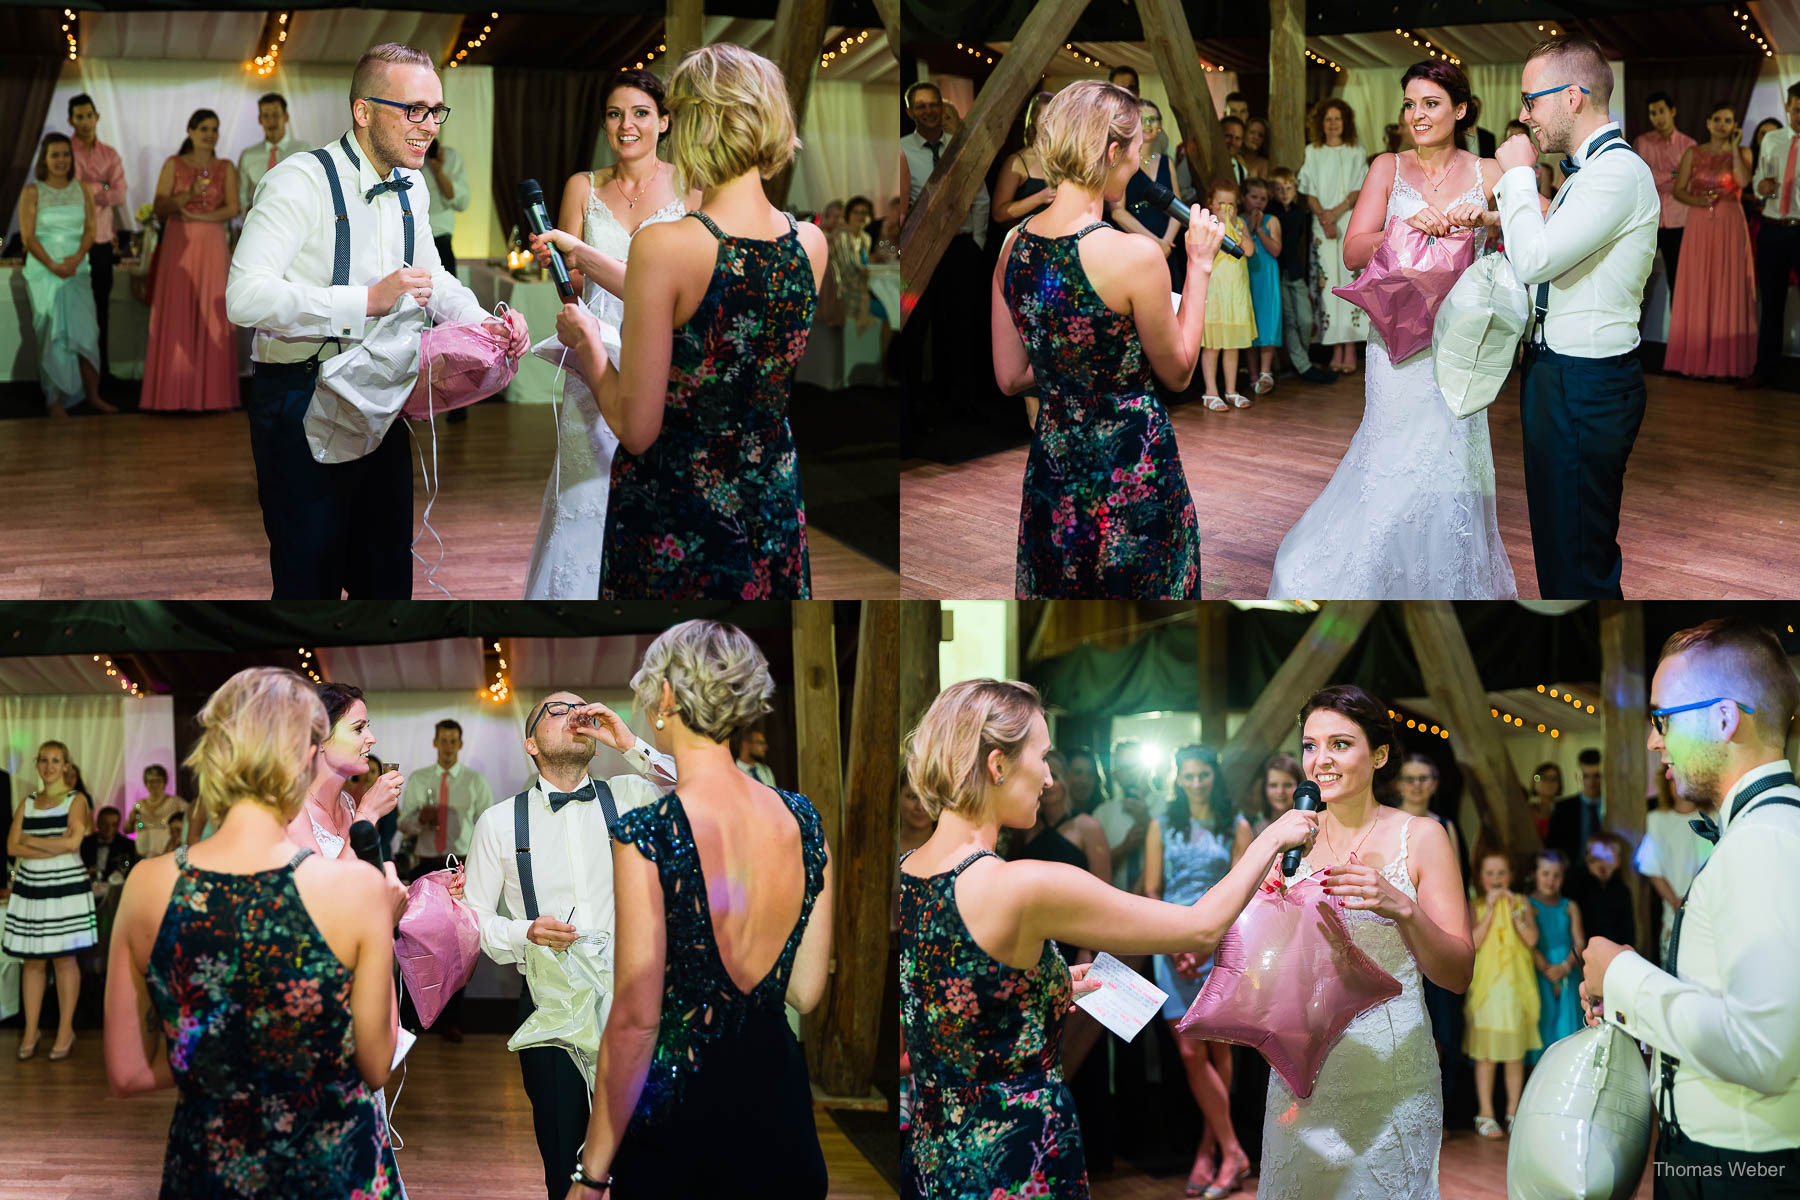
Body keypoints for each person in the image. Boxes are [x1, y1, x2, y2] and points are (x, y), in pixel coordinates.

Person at [899, 679, 1322, 1199]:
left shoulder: (908, 872)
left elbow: (957, 997)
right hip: (1013, 1153)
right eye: (1042, 756)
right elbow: (1200, 926)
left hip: (933, 1147)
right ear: (997, 765)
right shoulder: (1023, 884)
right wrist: (1274, 836)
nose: (1051, 778)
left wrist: (1046, 985)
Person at [225, 42, 531, 600]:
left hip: (383, 393)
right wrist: (362, 302)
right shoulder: (299, 180)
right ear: (363, 111)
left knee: (385, 572)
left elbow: (430, 276)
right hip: (299, 396)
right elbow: (243, 297)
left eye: (437, 111)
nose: (430, 126)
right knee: (307, 577)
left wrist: (486, 321)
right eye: (414, 110)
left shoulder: (412, 183)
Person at [102, 667, 403, 1196]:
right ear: (306, 754)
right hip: (334, 1172)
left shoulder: (146, 885)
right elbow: (375, 1064)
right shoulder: (357, 889)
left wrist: (224, 1058)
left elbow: (127, 1074)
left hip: (211, 1170)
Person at [563, 621, 831, 1199]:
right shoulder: (804, 821)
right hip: (782, 1112)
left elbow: (637, 1023)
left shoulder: (647, 834)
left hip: (684, 1124)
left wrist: (592, 1172)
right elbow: (806, 991)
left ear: (665, 698)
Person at [551, 46, 825, 600]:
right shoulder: (810, 244)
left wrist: (587, 344)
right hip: (771, 496)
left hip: (678, 508)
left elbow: (637, 428)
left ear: (696, 125)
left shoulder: (665, 246)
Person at [1272, 60, 1517, 600]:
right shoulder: (1387, 166)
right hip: (1396, 339)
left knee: (1453, 459)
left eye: (1430, 103)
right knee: (1391, 456)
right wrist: (1400, 227)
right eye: (1410, 104)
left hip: (1459, 342)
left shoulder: (1489, 173)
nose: (1418, 115)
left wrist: (1489, 219)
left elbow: (1540, 220)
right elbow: (1353, 249)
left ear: (1460, 109)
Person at [1581, 617, 1800, 1197]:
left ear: (1723, 719)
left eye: (1662, 719)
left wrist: (1624, 978)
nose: (1655, 741)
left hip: (1742, 1170)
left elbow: (1764, 1052)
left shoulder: (1766, 842)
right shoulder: (1758, 833)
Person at [993, 81, 1225, 598]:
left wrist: (1069, 369)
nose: (1140, 161)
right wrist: (1201, 266)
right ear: (1113, 151)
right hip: (1132, 468)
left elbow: (1010, 378)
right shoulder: (1133, 256)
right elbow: (1180, 371)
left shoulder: (1014, 245)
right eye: (1138, 148)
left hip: (1055, 462)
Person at [1258, 685, 1472, 1197]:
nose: (1320, 761)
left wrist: (1400, 907)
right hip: (1300, 1074)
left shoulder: (1421, 837)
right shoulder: (1286, 839)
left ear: (1378, 755)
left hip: (1391, 1072)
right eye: (1310, 746)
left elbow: (1458, 973)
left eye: (1339, 744)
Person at [465, 690, 674, 1200]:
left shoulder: (630, 794)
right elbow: (472, 920)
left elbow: (699, 788)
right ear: (530, 743)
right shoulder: (497, 822)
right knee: (564, 1159)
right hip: (548, 1007)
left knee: (643, 1158)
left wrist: (627, 742)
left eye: (579, 708)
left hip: (634, 1006)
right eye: (555, 711)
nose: (572, 714)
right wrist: (525, 931)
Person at [521, 71, 698, 601]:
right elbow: (571, 284)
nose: (628, 125)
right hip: (593, 346)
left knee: (651, 480)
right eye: (616, 114)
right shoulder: (584, 185)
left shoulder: (690, 186)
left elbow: (685, 285)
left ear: (664, 122)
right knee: (584, 489)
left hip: (660, 353)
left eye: (641, 113)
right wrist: (556, 266)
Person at [1494, 36, 1658, 599]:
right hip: (1558, 375)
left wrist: (1517, 172)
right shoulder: (1589, 174)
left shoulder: (1619, 172)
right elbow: (1558, 244)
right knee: (1559, 547)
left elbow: (1537, 257)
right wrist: (1498, 218)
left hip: (1586, 383)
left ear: (1571, 96)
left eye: (1529, 101)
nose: (1523, 116)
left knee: (1579, 563)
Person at [1145, 745, 1255, 1198]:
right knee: (1191, 1054)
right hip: (1169, 946)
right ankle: (1232, 1149)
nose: (1195, 783)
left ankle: (1212, 1151)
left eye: (1202, 775)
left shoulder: (1238, 825)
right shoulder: (1161, 824)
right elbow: (1151, 891)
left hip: (1220, 946)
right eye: (1187, 776)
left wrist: (1207, 940)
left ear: (1214, 777)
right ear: (1177, 778)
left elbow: (1244, 893)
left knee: (1221, 1054)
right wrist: (1173, 944)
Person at [899, 80, 991, 435]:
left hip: (962, 247)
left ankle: (962, 403)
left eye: (932, 104)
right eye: (920, 106)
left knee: (960, 328)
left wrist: (978, 242)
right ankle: (921, 406)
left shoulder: (960, 147)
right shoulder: (902, 151)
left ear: (941, 107)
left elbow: (979, 197)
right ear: (910, 113)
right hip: (922, 252)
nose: (928, 111)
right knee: (919, 329)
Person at [142, 108, 240, 412]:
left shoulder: (226, 166)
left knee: (212, 313)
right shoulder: (174, 164)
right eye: (204, 129)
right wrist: (185, 198)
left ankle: (212, 396)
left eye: (214, 128)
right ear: (190, 131)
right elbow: (159, 205)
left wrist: (202, 217)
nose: (210, 134)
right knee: (178, 311)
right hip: (179, 243)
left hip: (211, 243)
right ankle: (173, 394)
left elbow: (233, 208)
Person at [4, 740, 97, 1060]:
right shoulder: (27, 802)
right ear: (37, 764)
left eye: (56, 761)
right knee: (32, 959)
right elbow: (12, 847)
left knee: (64, 958)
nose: (49, 766)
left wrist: (32, 839)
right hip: (32, 886)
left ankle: (65, 1029)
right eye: (43, 760)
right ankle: (31, 1030)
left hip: (64, 886)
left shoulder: (76, 800)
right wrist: (48, 842)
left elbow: (73, 843)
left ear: (66, 766)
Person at [1665, 102, 1757, 380]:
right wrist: (1697, 200)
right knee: (1699, 284)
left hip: (1730, 222)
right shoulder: (1693, 153)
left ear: (1734, 125)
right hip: (1699, 223)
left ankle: (1726, 363)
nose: (1721, 124)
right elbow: (1679, 190)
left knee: (1728, 284)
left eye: (1727, 120)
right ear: (1708, 122)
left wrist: (1735, 150)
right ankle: (1695, 360)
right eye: (1717, 119)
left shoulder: (1743, 152)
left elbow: (1742, 180)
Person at [20, 133, 103, 415]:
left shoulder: (83, 189)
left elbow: (91, 230)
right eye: (55, 155)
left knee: (86, 332)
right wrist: (54, 265)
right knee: (51, 334)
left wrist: (76, 259)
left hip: (78, 269)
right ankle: (54, 399)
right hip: (44, 271)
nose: (61, 160)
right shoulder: (33, 191)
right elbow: (28, 237)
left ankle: (93, 395)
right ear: (44, 158)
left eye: (65, 154)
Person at [1464, 848, 1540, 1137]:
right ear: (1482, 879)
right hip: (1487, 989)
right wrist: (1492, 910)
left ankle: (1514, 1111)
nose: (1496, 878)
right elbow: (1473, 941)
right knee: (1485, 1054)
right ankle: (1485, 1112)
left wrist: (1515, 912)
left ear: (1510, 876)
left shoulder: (1521, 902)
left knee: (1514, 1054)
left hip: (1515, 987)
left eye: (1501, 873)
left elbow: (1532, 939)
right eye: (1490, 873)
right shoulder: (1475, 905)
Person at [1299, 98, 1368, 373]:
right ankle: (1334, 347)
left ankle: (1349, 347)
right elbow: (1308, 189)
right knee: (1328, 284)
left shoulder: (1356, 151)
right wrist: (1323, 217)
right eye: (1328, 118)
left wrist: (1335, 215)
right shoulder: (1312, 151)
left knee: (1349, 279)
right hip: (1322, 224)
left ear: (1345, 122)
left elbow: (1357, 190)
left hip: (1348, 221)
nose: (1332, 123)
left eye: (1337, 118)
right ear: (1321, 123)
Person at [67, 93, 126, 397]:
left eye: (89, 115)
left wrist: (88, 188)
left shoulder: (110, 154)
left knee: (101, 311)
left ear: (97, 117)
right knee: (73, 311)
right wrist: (100, 185)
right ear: (71, 120)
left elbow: (119, 194)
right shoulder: (63, 152)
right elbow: (66, 191)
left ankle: (101, 377)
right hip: (70, 241)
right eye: (79, 117)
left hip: (101, 241)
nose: (85, 122)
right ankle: (74, 380)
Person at [1742, 82, 1800, 391]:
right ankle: (1765, 371)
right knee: (1772, 304)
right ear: (1788, 107)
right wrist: (1761, 188)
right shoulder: (1773, 140)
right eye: (1798, 109)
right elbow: (1758, 179)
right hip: (1773, 229)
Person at [1267, 167, 1337, 386]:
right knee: (1289, 319)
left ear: (1295, 190)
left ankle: (1302, 359)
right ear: (1273, 191)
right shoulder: (1270, 212)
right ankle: (1303, 367)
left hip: (1296, 271)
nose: (1284, 192)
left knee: (1306, 319)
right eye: (1279, 189)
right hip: (1278, 270)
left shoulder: (1300, 213)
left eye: (1288, 188)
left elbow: (1301, 245)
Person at [1635, 769, 1710, 969]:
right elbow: (1652, 868)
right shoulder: (1657, 819)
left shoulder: (1712, 817)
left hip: (1706, 911)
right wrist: (1677, 903)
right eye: (1674, 778)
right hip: (1673, 914)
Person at [1114, 100, 1185, 289]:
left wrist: (1167, 242)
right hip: (1136, 244)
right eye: (1142, 119)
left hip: (1167, 247)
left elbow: (1177, 206)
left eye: (1153, 119)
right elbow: (1117, 212)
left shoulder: (1166, 162)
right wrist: (1155, 243)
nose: (1148, 124)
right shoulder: (1122, 161)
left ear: (1160, 126)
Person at [1199, 179, 1256, 409]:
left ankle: (1231, 389)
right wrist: (1221, 226)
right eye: (1221, 203)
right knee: (1212, 344)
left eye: (1230, 204)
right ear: (1211, 204)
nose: (1225, 209)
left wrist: (1235, 225)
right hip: (1215, 291)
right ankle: (1210, 391)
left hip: (1236, 292)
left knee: (1232, 343)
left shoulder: (1239, 223)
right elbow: (1206, 253)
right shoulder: (1207, 224)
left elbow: (1249, 251)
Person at [1525, 848, 1584, 1065]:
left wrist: (1565, 967)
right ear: (1534, 874)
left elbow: (1579, 942)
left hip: (1567, 971)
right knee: (1544, 1025)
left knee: (1566, 1028)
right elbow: (1527, 943)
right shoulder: (1527, 905)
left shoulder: (1570, 907)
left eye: (1556, 875)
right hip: (1540, 972)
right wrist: (1547, 970)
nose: (1551, 880)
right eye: (1545, 874)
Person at [1635, 92, 1697, 289]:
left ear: (1672, 111)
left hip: (1679, 221)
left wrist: (1658, 176)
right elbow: (1641, 180)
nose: (1657, 117)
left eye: (1661, 111)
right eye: (1653, 113)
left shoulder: (1688, 145)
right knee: (1636, 277)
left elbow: (1688, 184)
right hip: (1648, 219)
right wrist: (1673, 174)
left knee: (1678, 281)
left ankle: (1680, 320)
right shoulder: (1642, 142)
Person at [1240, 176, 1284, 397]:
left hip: (1266, 276)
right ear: (1243, 198)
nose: (1258, 202)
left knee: (1267, 321)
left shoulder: (1271, 220)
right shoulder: (1238, 221)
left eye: (1263, 198)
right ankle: (1253, 374)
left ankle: (1266, 372)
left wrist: (1258, 230)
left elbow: (1276, 250)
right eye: (1253, 197)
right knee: (1251, 323)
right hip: (1246, 277)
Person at [236, 92, 308, 213]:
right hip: (259, 222)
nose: (271, 121)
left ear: (286, 117)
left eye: (275, 115)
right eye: (266, 116)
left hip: (296, 220)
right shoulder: (248, 156)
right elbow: (241, 194)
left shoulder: (305, 151)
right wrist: (247, 210)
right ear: (260, 119)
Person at [828, 195, 889, 337]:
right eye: (856, 212)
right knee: (891, 312)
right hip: (842, 293)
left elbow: (864, 266)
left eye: (864, 212)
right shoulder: (841, 236)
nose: (860, 216)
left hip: (862, 289)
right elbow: (846, 271)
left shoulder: (865, 238)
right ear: (848, 214)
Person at [993, 91, 1056, 227]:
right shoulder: (1017, 162)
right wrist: (1040, 198)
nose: (1050, 124)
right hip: (1028, 240)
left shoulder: (1064, 159)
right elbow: (999, 214)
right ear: (1033, 121)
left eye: (1055, 118)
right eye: (1045, 118)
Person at [1546, 746, 1603, 894]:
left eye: (1596, 776)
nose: (1591, 782)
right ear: (1578, 777)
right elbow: (1553, 845)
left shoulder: (1615, 807)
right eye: (1586, 776)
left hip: (1606, 876)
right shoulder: (1563, 808)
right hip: (1572, 879)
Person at [420, 136, 470, 272]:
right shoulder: (401, 156)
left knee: (446, 288)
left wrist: (438, 170)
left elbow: (462, 203)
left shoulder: (451, 157)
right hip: (409, 236)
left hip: (439, 234)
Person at [126, 764, 187, 858]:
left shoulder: (176, 802)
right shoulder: (139, 804)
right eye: (151, 781)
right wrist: (131, 820)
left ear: (165, 782)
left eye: (158, 781)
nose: (154, 785)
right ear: (146, 783)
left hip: (167, 855)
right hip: (141, 856)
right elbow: (127, 829)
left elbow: (190, 821)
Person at [80, 805, 139, 884]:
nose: (109, 828)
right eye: (105, 824)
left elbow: (129, 872)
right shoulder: (85, 843)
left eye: (114, 825)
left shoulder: (128, 845)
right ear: (97, 823)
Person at [1529, 760, 1562, 838]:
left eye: (1554, 779)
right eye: (1543, 778)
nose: (1549, 782)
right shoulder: (1526, 811)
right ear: (1534, 783)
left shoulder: (1565, 814)